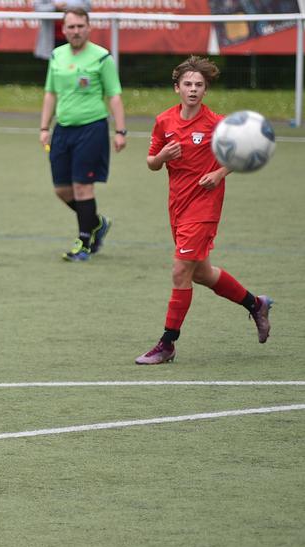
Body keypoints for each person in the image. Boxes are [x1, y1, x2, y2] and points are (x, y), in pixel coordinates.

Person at [136, 56, 273, 364]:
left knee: (180, 270)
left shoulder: (218, 125)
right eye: (188, 84)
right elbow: (151, 163)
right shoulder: (164, 121)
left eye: (199, 85)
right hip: (177, 205)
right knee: (201, 273)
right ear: (177, 88)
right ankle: (256, 304)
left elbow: (244, 151)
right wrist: (162, 156)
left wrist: (219, 173)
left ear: (205, 90)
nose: (193, 90)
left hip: (205, 205)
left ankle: (167, 343)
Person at [39, 7, 126, 261]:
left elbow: (114, 95)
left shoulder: (101, 58)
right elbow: (50, 94)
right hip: (62, 129)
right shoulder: (56, 56)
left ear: (88, 28)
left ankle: (84, 243)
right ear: (63, 29)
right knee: (61, 189)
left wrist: (120, 131)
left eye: (80, 26)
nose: (75, 31)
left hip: (92, 128)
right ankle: (97, 222)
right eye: (71, 27)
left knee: (82, 187)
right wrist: (44, 127)